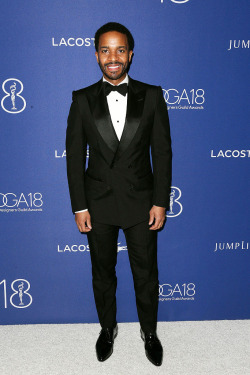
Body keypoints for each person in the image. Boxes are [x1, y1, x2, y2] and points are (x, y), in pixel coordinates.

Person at [66, 22, 172, 366]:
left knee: (146, 272)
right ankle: (107, 329)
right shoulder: (81, 99)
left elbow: (163, 152)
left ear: (130, 55)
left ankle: (149, 332)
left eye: (120, 50)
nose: (113, 57)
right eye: (106, 50)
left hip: (142, 202)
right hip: (97, 204)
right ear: (97, 55)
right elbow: (73, 158)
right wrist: (79, 207)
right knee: (102, 272)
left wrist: (160, 201)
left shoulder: (152, 95)